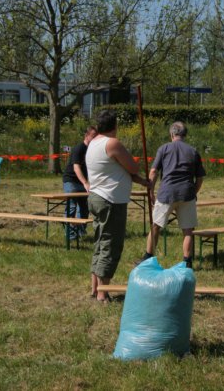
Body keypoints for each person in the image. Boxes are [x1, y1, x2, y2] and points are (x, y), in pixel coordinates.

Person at [86, 110, 149, 303]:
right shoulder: (111, 143)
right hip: (110, 200)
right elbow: (133, 167)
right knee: (110, 245)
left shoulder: (93, 143)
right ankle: (103, 294)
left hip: (97, 197)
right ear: (114, 126)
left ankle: (95, 288)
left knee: (100, 242)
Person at [137, 121, 206, 269]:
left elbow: (154, 172)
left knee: (156, 226)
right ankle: (187, 261)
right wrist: (193, 192)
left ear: (172, 134)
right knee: (188, 229)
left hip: (166, 193)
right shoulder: (193, 151)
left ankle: (148, 258)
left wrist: (151, 191)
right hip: (186, 193)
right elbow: (199, 178)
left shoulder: (164, 149)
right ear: (184, 135)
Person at [62, 126, 98, 240]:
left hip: (83, 183)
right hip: (71, 181)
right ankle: (70, 236)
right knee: (71, 206)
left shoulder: (93, 150)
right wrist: (85, 183)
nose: (95, 139)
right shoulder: (79, 148)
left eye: (96, 136)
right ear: (86, 136)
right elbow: (76, 168)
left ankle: (81, 232)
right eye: (93, 136)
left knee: (84, 207)